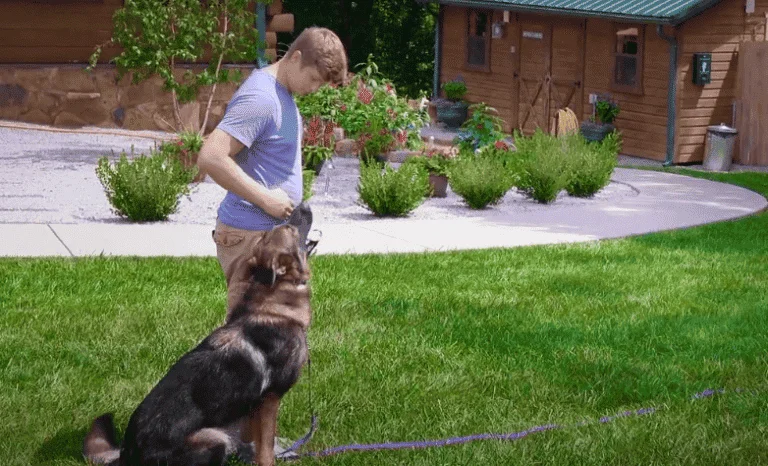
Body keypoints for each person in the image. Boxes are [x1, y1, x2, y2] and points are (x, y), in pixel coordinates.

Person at [198, 27, 348, 316]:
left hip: (268, 233)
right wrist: (267, 200)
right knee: (249, 336)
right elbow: (211, 157)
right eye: (314, 79)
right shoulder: (261, 98)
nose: (314, 88)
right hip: (251, 236)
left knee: (274, 333)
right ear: (296, 58)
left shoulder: (282, 94)